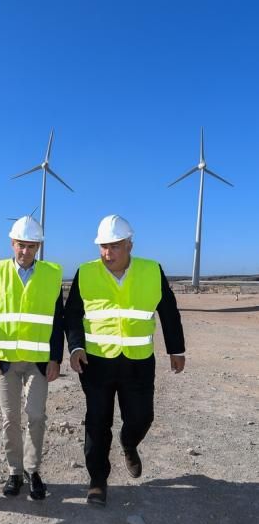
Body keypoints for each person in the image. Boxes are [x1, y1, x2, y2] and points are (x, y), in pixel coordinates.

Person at [64, 215, 185, 506]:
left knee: (142, 416)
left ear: (130, 244)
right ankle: (97, 480)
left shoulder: (152, 271)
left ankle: (129, 443)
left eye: (115, 246)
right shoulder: (86, 272)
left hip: (138, 362)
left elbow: (168, 311)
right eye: (103, 247)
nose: (108, 253)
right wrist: (76, 347)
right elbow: (72, 314)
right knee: (97, 421)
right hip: (96, 363)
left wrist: (176, 349)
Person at [0, 216, 64, 500]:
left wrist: (55, 358)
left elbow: (58, 320)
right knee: (11, 419)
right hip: (5, 362)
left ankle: (33, 470)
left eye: (31, 246)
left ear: (38, 247)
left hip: (38, 362)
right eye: (20, 245)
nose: (25, 251)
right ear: (12, 243)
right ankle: (15, 471)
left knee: (36, 415)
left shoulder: (52, 275)